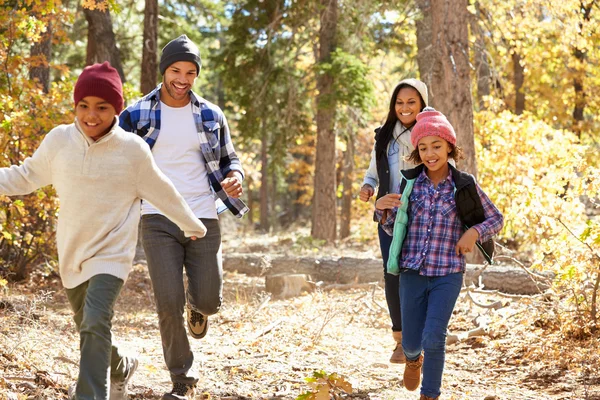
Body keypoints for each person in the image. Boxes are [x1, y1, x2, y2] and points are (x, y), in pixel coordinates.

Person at [0, 62, 208, 400]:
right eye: (84, 106)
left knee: (95, 321)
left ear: (117, 109)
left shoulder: (131, 150)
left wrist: (192, 224)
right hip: (72, 253)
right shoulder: (59, 141)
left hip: (112, 255)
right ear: (75, 106)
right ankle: (122, 366)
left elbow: (163, 190)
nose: (91, 115)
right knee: (91, 327)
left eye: (102, 107)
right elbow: (24, 176)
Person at [119, 35, 248, 400]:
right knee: (167, 301)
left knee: (208, 299)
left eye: (190, 72)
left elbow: (230, 159)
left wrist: (235, 177)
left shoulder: (210, 113)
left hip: (203, 214)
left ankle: (198, 307)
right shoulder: (136, 113)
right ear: (164, 71)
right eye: (176, 70)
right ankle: (182, 378)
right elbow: (114, 158)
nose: (182, 78)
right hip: (157, 216)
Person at [376, 107, 504, 400]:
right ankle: (412, 358)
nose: (430, 153)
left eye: (436, 145)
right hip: (412, 272)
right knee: (410, 341)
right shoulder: (409, 184)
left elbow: (495, 218)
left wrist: (473, 232)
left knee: (434, 337)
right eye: (423, 147)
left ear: (450, 147)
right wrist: (382, 208)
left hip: (447, 272)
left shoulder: (464, 184)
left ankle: (429, 394)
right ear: (417, 152)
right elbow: (393, 228)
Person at [359, 78, 428, 363]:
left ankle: (419, 339)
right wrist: (368, 188)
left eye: (411, 102)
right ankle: (400, 341)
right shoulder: (384, 135)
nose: (405, 108)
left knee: (417, 275)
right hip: (388, 216)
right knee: (392, 274)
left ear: (422, 103)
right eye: (399, 102)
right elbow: (374, 172)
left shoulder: (431, 131)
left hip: (423, 217)